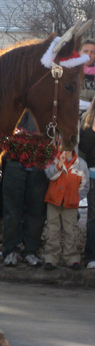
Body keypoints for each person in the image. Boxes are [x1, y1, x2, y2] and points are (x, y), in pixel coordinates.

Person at [2, 112, 48, 267]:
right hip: (15, 161)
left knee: (36, 210)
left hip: (38, 162)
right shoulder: (18, 103)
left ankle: (30, 250)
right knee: (12, 210)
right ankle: (10, 250)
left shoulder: (48, 103)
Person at [43, 149, 89, 271]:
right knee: (52, 230)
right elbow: (49, 175)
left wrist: (76, 197)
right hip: (53, 201)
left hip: (71, 204)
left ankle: (72, 258)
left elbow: (85, 185)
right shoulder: (53, 160)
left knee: (71, 230)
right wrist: (60, 164)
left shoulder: (81, 164)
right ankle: (51, 259)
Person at [78, 98, 95, 269]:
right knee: (93, 217)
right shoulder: (86, 122)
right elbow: (84, 148)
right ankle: (91, 255)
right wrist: (93, 129)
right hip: (94, 175)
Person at [79, 39, 95, 112]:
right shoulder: (70, 71)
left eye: (92, 52)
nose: (89, 55)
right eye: (85, 51)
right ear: (79, 53)